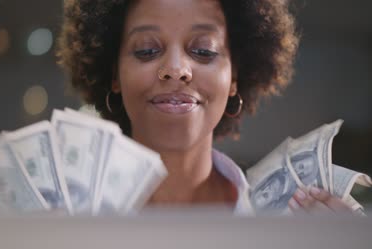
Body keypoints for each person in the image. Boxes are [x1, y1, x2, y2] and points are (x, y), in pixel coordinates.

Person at [56, 0, 353, 214]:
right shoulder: (63, 213)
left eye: (203, 50)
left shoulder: (292, 221)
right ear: (114, 76)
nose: (175, 69)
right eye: (146, 50)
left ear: (234, 77)